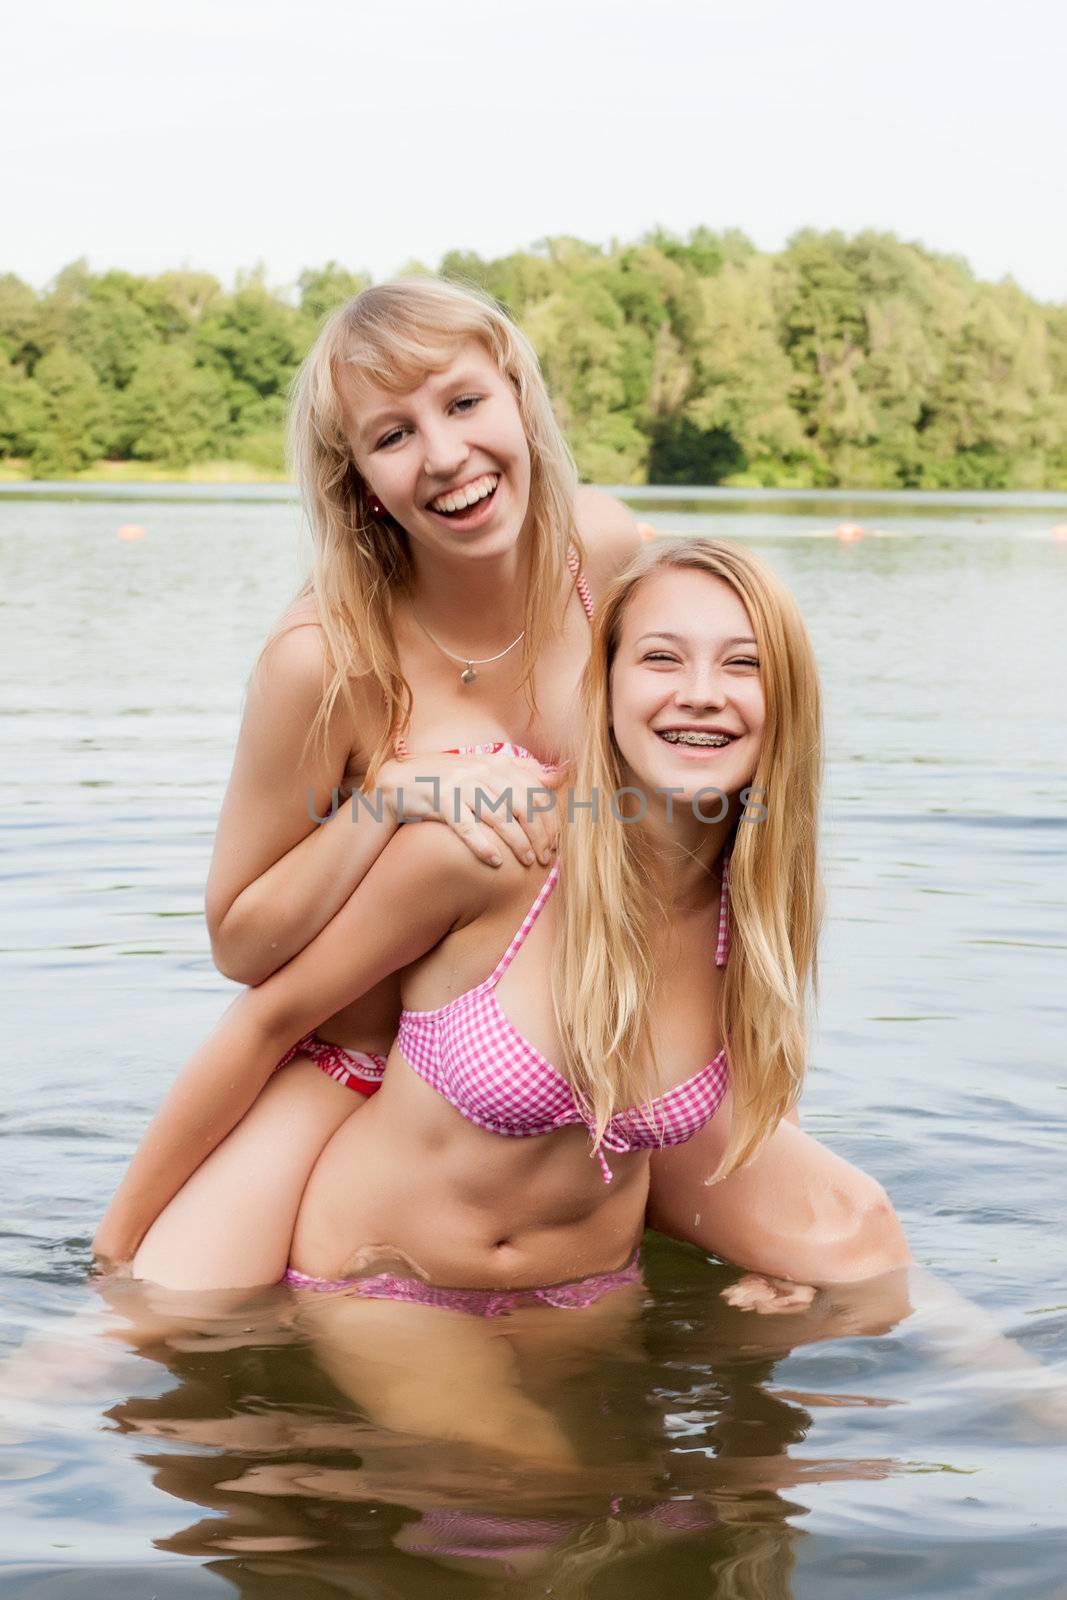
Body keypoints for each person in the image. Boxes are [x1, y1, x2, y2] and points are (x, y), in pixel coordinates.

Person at [93, 279, 905, 1294]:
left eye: (465, 403)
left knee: (855, 1243)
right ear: (360, 482)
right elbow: (240, 947)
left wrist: (736, 1099)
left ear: (520, 398)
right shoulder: (322, 659)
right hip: (362, 1070)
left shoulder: (599, 551)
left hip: (562, 1052)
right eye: (393, 435)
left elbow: (680, 799)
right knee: (159, 1331)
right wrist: (388, 798)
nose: (443, 454)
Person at [112, 539, 863, 1464]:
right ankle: (318, 1465)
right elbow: (268, 1018)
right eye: (661, 657)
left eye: (741, 663)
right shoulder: (499, 853)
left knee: (718, 1492)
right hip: (388, 1288)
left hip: (591, 1301)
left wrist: (764, 1261)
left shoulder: (753, 908)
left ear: (783, 704)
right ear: (607, 687)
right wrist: (116, 1250)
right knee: (534, 1481)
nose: (701, 691)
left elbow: (746, 1092)